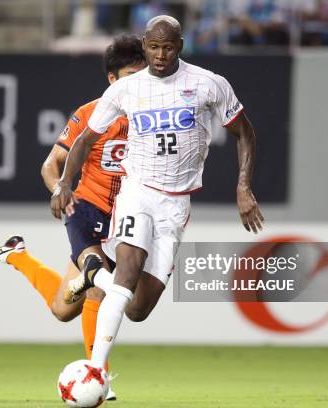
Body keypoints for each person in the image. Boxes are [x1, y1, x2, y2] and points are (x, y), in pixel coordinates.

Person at [52, 15, 264, 369]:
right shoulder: (125, 89)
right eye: (153, 47)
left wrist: (244, 186)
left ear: (179, 46)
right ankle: (95, 369)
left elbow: (245, 132)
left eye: (167, 47)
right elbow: (85, 140)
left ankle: (95, 275)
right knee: (128, 270)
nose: (160, 55)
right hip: (137, 191)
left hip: (176, 204)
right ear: (145, 47)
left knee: (137, 309)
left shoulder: (208, 84)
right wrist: (63, 183)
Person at [0, 34, 147, 399]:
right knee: (93, 289)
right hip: (90, 212)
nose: (139, 83)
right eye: (131, 75)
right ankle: (96, 372)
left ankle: (15, 254)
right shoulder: (90, 114)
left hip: (129, 217)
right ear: (112, 80)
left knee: (63, 309)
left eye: (144, 74)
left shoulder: (153, 117)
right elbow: (50, 164)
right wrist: (61, 190)